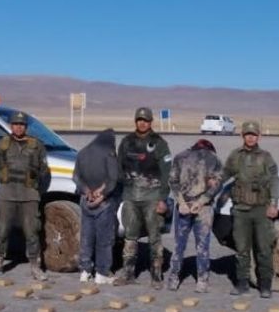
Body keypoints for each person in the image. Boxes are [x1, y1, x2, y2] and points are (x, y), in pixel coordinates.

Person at [0, 111, 50, 281]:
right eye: (15, 124)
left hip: (29, 195)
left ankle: (35, 266)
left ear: (26, 127)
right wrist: (5, 180)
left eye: (21, 125)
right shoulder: (3, 144)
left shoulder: (36, 145)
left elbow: (44, 169)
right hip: (7, 193)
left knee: (32, 232)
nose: (18, 127)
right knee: (2, 231)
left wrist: (35, 188)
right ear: (11, 126)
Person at [113, 107, 172, 289]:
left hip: (152, 197)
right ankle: (128, 273)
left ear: (150, 122)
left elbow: (166, 173)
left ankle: (156, 275)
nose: (142, 123)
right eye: (139, 120)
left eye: (145, 120)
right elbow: (119, 167)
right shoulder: (126, 142)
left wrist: (163, 199)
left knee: (154, 237)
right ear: (135, 121)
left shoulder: (159, 143)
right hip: (131, 197)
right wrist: (122, 190)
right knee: (130, 236)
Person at [222, 121, 279, 298]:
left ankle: (265, 285)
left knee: (264, 249)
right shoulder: (235, 156)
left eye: (253, 135)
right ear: (243, 136)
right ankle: (242, 283)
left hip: (261, 210)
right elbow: (224, 174)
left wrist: (273, 204)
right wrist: (213, 185)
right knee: (241, 249)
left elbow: (274, 180)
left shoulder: (266, 157)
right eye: (248, 134)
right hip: (240, 210)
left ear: (259, 136)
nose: (250, 137)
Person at [166, 139, 223, 293]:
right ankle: (202, 281)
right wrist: (202, 201)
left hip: (183, 206)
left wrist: (181, 202)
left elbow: (172, 181)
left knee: (179, 245)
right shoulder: (213, 159)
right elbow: (217, 184)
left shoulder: (180, 156)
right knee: (202, 246)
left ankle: (173, 278)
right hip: (204, 208)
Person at [73, 129, 120, 285]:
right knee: (104, 239)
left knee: (86, 238)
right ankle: (102, 273)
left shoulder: (82, 152)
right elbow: (113, 179)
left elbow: (76, 177)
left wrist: (87, 191)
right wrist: (102, 194)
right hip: (104, 204)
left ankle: (85, 271)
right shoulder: (109, 154)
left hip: (86, 200)